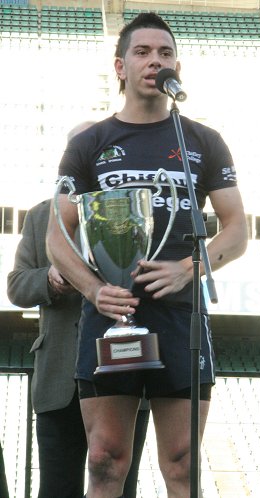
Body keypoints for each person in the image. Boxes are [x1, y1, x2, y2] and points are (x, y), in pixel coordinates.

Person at [46, 12, 248, 498]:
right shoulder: (90, 144)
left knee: (181, 465)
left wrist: (188, 270)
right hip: (111, 314)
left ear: (177, 65)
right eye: (142, 52)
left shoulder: (203, 141)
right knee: (104, 462)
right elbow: (58, 236)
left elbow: (237, 230)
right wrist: (95, 290)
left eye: (164, 53)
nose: (155, 61)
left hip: (180, 315)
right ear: (120, 66)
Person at [7, 122, 149, 498]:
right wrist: (51, 279)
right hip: (59, 381)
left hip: (122, 371)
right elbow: (16, 285)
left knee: (121, 487)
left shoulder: (137, 212)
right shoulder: (40, 216)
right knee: (56, 488)